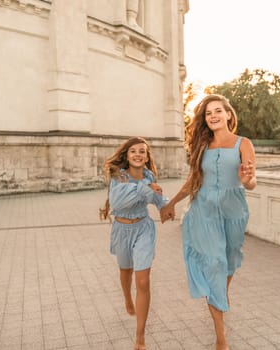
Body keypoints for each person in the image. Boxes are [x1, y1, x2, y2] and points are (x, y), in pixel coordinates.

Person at [161, 94, 256, 350]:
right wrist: (172, 203)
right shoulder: (203, 146)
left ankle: (219, 298)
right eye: (208, 113)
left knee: (230, 261)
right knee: (214, 265)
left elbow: (251, 181)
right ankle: (220, 336)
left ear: (228, 114)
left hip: (233, 210)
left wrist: (246, 179)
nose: (212, 116)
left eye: (217, 111)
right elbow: (194, 180)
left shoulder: (243, 143)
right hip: (203, 213)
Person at [100, 136, 167, 350]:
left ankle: (140, 337)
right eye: (134, 151)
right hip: (121, 229)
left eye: (142, 152)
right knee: (125, 270)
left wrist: (166, 205)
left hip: (143, 229)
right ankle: (127, 298)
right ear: (127, 156)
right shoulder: (119, 177)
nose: (138, 154)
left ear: (147, 157)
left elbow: (157, 197)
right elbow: (119, 201)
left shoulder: (149, 176)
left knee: (144, 281)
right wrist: (147, 189)